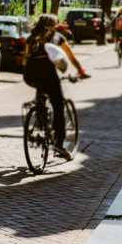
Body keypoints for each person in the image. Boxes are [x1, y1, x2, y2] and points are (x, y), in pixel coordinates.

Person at [25, 14, 90, 160]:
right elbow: (71, 57)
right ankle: (59, 145)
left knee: (41, 94)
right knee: (58, 106)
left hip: (30, 75)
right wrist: (81, 71)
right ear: (54, 25)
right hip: (48, 75)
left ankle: (40, 124)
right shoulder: (57, 38)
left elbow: (26, 58)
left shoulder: (31, 37)